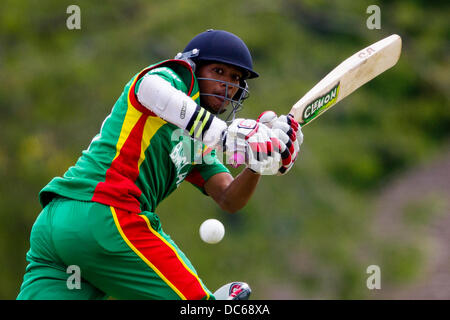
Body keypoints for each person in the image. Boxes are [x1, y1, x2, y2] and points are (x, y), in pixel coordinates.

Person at [17, 29, 303, 300]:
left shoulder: (197, 141)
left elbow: (228, 197)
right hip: (105, 215)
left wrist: (257, 163)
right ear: (194, 67)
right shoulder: (173, 79)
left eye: (235, 78)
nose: (225, 85)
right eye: (217, 72)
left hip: (59, 225)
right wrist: (225, 135)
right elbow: (150, 89)